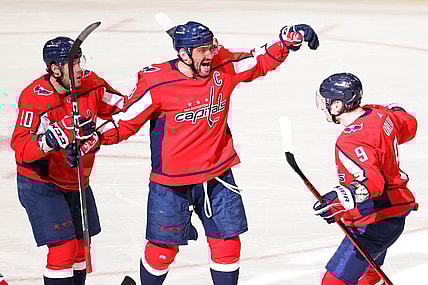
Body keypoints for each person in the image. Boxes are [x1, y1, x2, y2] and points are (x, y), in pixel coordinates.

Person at [96, 21, 319, 285]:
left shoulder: (222, 66)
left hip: (217, 174)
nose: (210, 55)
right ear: (183, 53)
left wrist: (285, 43)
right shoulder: (156, 82)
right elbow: (125, 122)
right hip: (171, 182)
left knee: (227, 244)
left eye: (211, 47)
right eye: (202, 50)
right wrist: (93, 139)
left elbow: (257, 62)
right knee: (161, 252)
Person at [10, 36, 126, 285]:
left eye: (79, 61)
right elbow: (21, 148)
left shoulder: (91, 85)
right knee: (63, 250)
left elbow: (125, 107)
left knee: (81, 249)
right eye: (72, 64)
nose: (79, 68)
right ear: (54, 68)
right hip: (41, 182)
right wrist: (50, 140)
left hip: (75, 179)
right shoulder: (35, 98)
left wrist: (96, 137)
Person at [312, 73, 418, 285]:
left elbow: (373, 184)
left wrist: (339, 198)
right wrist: (395, 110)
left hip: (374, 220)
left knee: (332, 282)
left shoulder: (351, 140)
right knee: (370, 271)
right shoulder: (379, 113)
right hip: (395, 210)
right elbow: (409, 125)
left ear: (338, 105)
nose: (323, 107)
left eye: (326, 101)